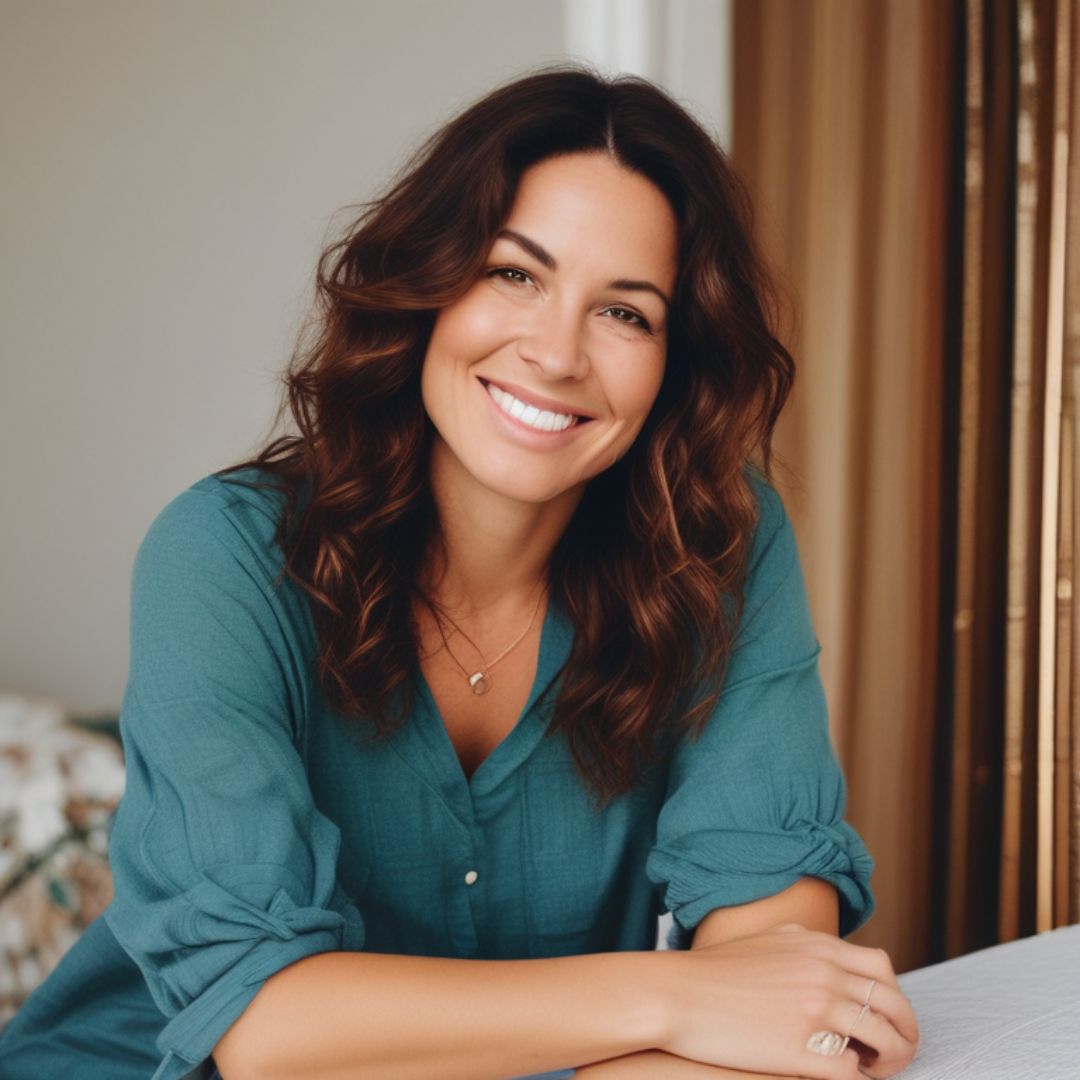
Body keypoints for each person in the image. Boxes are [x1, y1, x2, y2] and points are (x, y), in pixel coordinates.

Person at [0, 63, 919, 1080]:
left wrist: (714, 1019)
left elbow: (781, 973)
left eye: (627, 313)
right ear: (429, 288)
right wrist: (673, 999)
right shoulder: (223, 558)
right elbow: (265, 1026)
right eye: (514, 274)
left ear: (674, 366)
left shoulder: (720, 545)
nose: (557, 352)